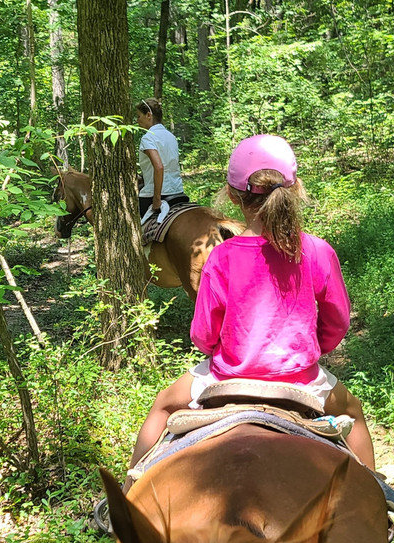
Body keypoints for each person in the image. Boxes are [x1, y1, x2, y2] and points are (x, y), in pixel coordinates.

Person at [127, 133, 378, 475]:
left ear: (232, 195)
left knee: (162, 406)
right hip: (302, 381)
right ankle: (378, 497)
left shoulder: (221, 257)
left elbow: (202, 335)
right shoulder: (318, 251)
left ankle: (126, 497)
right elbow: (338, 322)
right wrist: (307, 348)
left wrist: (227, 350)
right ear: (294, 189)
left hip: (226, 378)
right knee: (354, 413)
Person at [134, 98, 189, 218]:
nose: (137, 120)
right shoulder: (171, 136)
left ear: (148, 115)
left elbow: (159, 167)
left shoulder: (148, 138)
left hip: (157, 194)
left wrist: (157, 199)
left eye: (139, 116)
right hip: (177, 192)